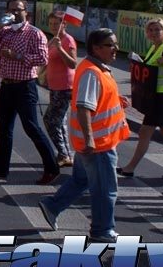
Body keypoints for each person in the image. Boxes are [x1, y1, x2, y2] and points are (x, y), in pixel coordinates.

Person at [38, 28, 131, 243]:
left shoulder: (99, 68)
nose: (116, 49)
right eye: (111, 45)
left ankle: (52, 206)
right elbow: (83, 106)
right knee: (105, 189)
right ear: (96, 48)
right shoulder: (91, 71)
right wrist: (90, 138)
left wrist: (117, 100)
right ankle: (101, 230)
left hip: (94, 142)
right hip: (97, 144)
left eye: (115, 44)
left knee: (81, 180)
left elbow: (97, 100)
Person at [0, 0, 60, 184]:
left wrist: (17, 56)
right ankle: (0, 168)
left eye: (18, 10)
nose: (15, 13)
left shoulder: (34, 33)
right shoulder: (5, 32)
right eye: (11, 10)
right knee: (4, 128)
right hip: (7, 85)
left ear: (26, 12)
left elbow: (42, 59)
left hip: (25, 86)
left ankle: (51, 168)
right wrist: (0, 24)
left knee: (31, 127)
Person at [118, 18, 163, 179]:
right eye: (151, 30)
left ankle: (131, 167)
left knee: (147, 131)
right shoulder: (155, 48)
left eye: (157, 29)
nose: (153, 32)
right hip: (156, 96)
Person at [43, 11, 77, 168]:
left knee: (50, 120)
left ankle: (63, 153)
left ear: (64, 24)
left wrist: (60, 49)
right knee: (60, 121)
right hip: (55, 86)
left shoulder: (67, 40)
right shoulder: (54, 40)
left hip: (65, 86)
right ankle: (66, 154)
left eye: (56, 24)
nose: (53, 27)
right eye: (50, 24)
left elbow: (72, 63)